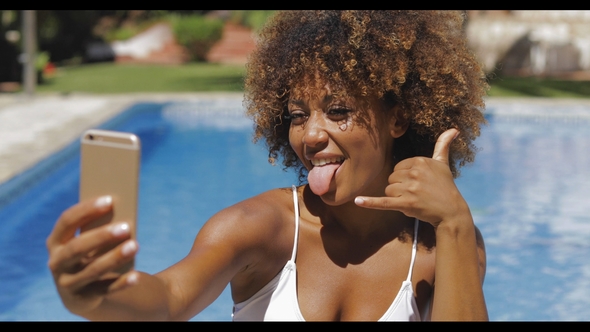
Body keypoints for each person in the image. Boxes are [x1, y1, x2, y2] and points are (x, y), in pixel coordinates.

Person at [46, 10, 488, 321]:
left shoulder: (442, 243)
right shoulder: (259, 228)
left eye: (337, 110)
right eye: (298, 115)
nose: (311, 135)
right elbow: (167, 299)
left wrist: (454, 223)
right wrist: (97, 298)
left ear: (399, 118)